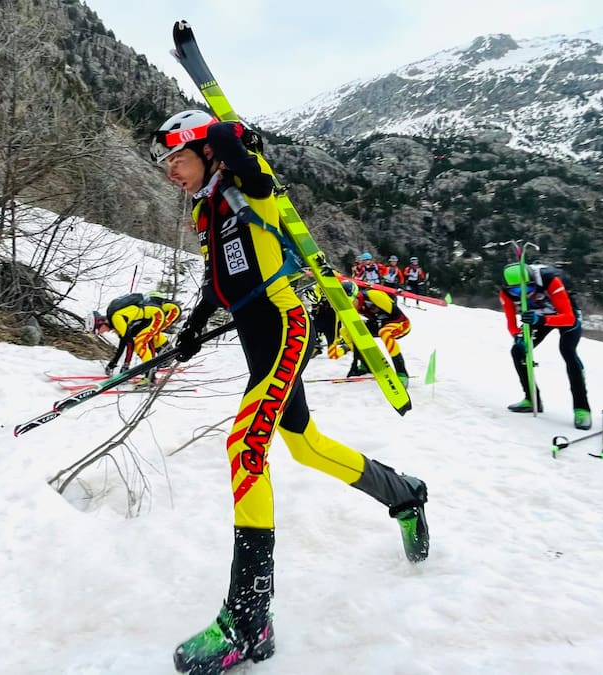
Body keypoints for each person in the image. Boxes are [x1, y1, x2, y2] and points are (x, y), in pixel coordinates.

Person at [150, 109, 429, 674]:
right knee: (304, 444)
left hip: (285, 329)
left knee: (245, 449)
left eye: (175, 158)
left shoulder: (250, 186)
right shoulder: (213, 211)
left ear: (205, 151)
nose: (169, 173)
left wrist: (230, 138)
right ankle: (405, 494)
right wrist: (191, 331)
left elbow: (236, 147)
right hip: (257, 339)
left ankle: (249, 621)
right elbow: (219, 281)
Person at [499, 261, 592, 430]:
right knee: (518, 351)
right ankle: (531, 398)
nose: (523, 295)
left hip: (564, 314)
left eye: (526, 289)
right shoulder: (505, 293)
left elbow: (568, 318)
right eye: (516, 291)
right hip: (537, 316)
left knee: (567, 351)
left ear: (533, 282)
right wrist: (517, 336)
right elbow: (511, 322)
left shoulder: (550, 280)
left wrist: (541, 320)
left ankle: (582, 408)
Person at [335, 280, 412, 386]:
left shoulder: (373, 295)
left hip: (400, 323)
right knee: (345, 331)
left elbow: (395, 312)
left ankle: (402, 373)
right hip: (379, 324)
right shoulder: (354, 305)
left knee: (384, 332)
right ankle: (365, 364)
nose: (351, 306)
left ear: (356, 296)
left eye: (351, 302)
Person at [103, 292, 169, 377]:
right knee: (142, 341)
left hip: (156, 315)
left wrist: (125, 365)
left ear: (102, 323)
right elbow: (123, 343)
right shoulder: (114, 319)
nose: (102, 333)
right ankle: (152, 368)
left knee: (140, 343)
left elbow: (130, 343)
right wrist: (114, 363)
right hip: (149, 317)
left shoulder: (116, 319)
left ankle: (150, 375)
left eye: (98, 330)